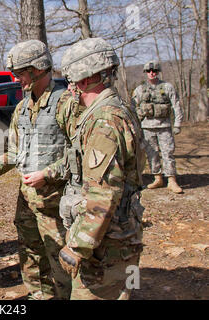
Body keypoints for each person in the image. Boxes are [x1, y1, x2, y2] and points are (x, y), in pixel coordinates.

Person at [57, 37, 145, 300]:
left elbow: (102, 194)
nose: (70, 88)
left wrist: (77, 247)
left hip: (106, 246)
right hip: (123, 237)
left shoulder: (104, 121)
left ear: (83, 80)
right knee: (126, 290)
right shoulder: (118, 109)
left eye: (71, 81)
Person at [0, 40, 71, 300]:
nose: (17, 78)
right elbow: (15, 152)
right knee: (31, 254)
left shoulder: (65, 104)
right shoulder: (22, 108)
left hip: (55, 202)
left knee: (60, 257)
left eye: (22, 72)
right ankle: (40, 294)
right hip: (26, 199)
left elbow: (78, 155)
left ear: (39, 68)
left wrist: (48, 174)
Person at [132, 61, 184, 193]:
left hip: (164, 126)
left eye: (154, 70)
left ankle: (171, 180)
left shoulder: (167, 87)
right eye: (149, 71)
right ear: (146, 73)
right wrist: (135, 125)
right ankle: (157, 178)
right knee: (152, 154)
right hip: (147, 127)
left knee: (168, 153)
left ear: (158, 72)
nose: (152, 73)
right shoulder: (140, 89)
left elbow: (176, 106)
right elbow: (133, 108)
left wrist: (177, 123)